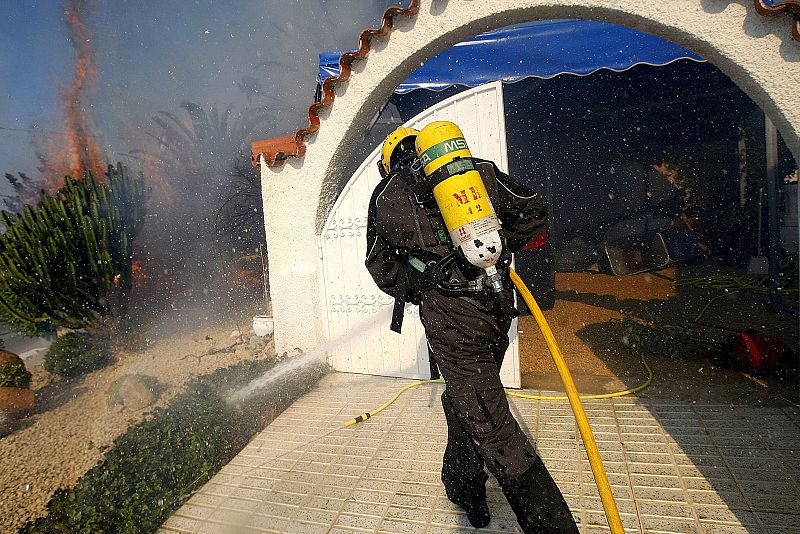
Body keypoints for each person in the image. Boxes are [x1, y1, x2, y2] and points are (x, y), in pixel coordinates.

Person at [365, 125, 578, 533]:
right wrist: (493, 254)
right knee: (470, 397)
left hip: (452, 323)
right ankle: (463, 486)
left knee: (496, 430)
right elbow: (533, 211)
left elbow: (381, 265)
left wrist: (426, 286)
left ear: (390, 160)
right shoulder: (479, 171)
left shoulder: (388, 194)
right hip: (496, 307)